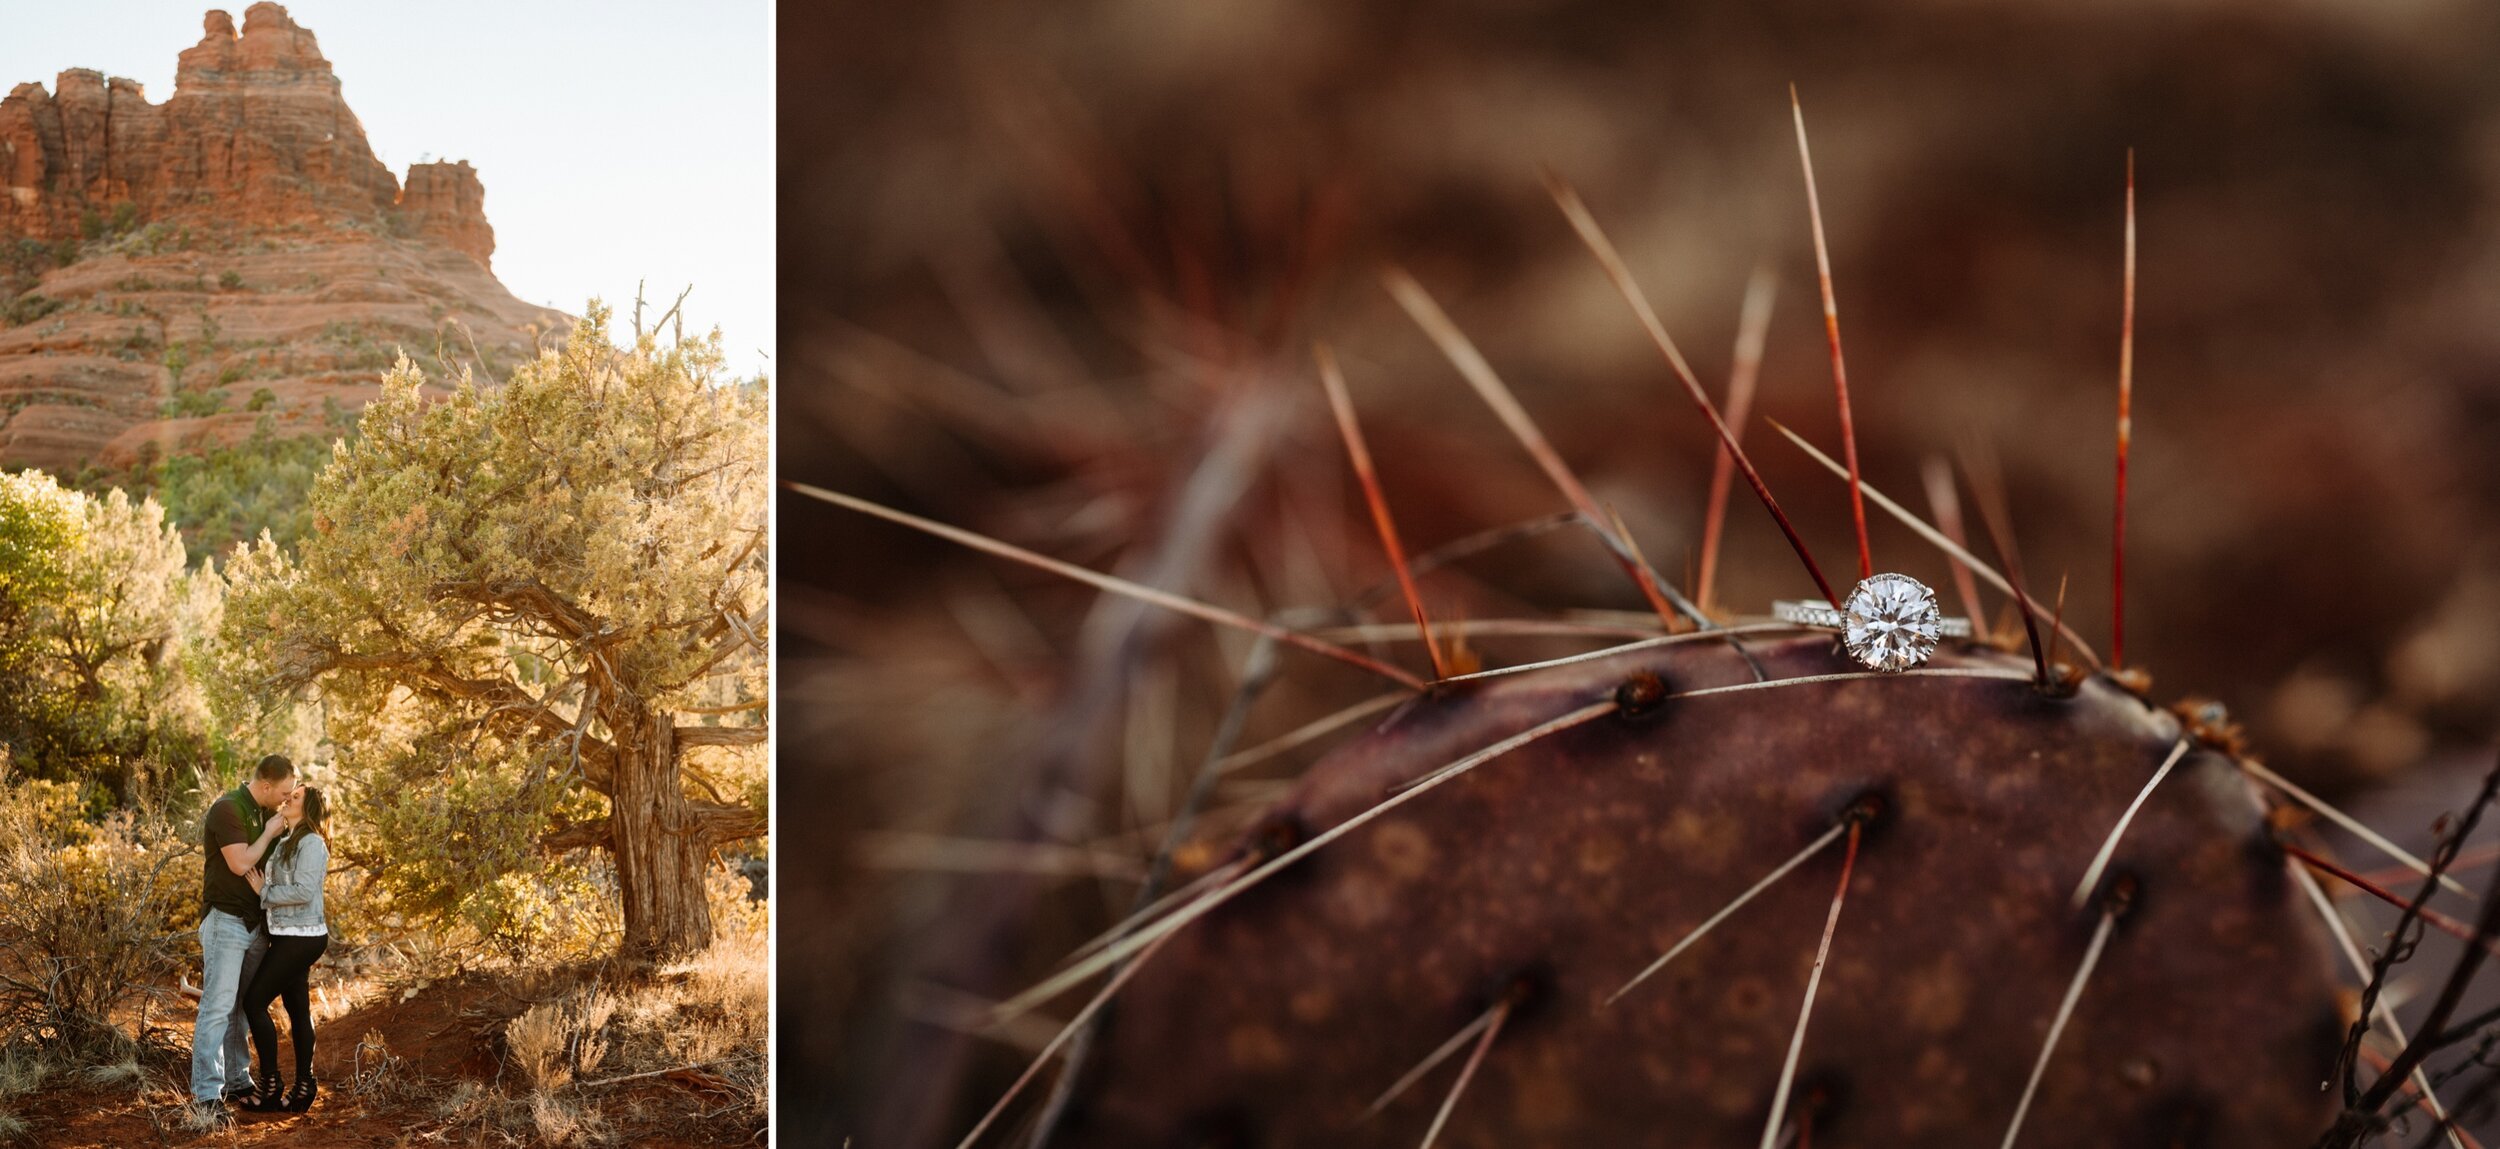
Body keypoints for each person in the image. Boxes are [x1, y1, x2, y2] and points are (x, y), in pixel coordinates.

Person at [191, 754, 295, 1121]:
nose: (286, 798)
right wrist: (269, 833)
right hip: (226, 920)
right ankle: (206, 1093)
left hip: (256, 925)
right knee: (217, 1007)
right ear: (265, 785)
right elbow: (239, 864)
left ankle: (237, 1078)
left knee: (241, 1007)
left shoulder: (267, 811)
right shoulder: (227, 809)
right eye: (283, 792)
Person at [236, 784, 330, 1113]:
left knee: (254, 1001)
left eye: (296, 797)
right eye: (289, 795)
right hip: (287, 935)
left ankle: (270, 1085)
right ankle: (305, 1085)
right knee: (297, 1009)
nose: (288, 799)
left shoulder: (312, 842)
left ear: (310, 808)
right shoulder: (288, 841)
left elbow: (304, 891)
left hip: (304, 937)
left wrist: (265, 891)